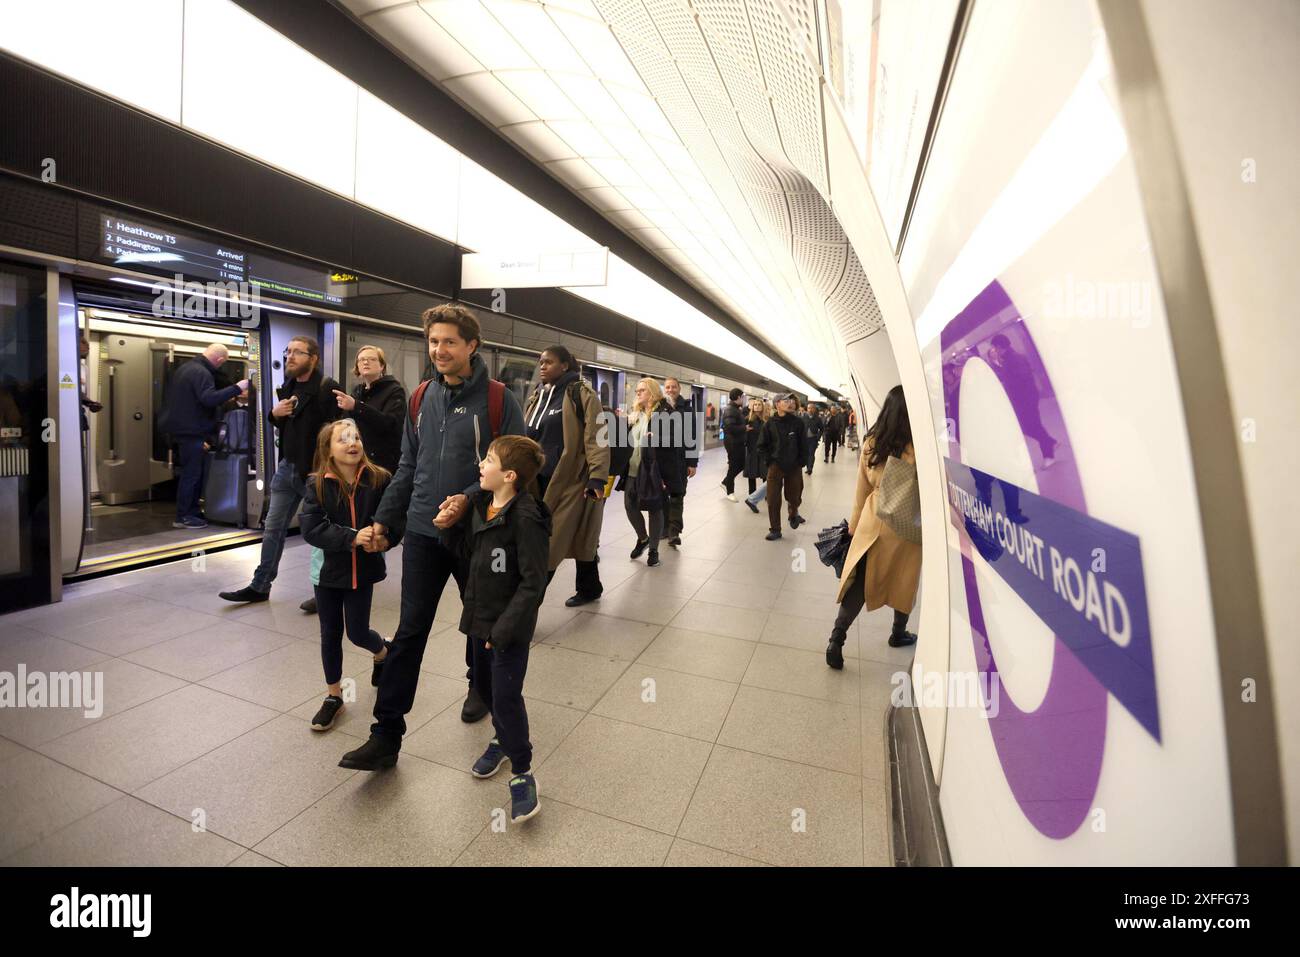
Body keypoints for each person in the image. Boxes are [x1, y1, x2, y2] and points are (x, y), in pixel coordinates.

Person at [339, 304, 526, 771]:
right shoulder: (422, 397)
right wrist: (385, 518)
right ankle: (386, 735)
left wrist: (466, 498)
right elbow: (408, 466)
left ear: (471, 346)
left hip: (479, 535)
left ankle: (480, 688)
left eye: (449, 342)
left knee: (484, 626)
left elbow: (517, 470)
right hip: (424, 532)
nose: (439, 350)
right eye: (433, 341)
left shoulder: (500, 401)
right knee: (409, 633)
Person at [448, 435, 550, 824]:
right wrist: (447, 529)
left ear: (509, 475)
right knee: (486, 689)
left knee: (507, 696)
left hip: (508, 629)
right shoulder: (482, 508)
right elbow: (471, 558)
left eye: (488, 460)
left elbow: (532, 583)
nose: (480, 465)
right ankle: (500, 739)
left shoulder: (526, 518)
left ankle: (522, 771)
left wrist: (504, 629)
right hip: (479, 619)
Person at [220, 337, 339, 602]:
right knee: (273, 528)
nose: (290, 357)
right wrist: (275, 414)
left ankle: (326, 590)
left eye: (298, 352)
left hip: (314, 472)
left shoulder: (327, 388)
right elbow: (285, 426)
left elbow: (336, 433)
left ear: (314, 358)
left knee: (318, 534)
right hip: (287, 468)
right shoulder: (288, 386)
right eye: (288, 352)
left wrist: (324, 470)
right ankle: (260, 585)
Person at [298, 419, 398, 730]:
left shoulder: (380, 479)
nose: (352, 443)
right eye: (342, 439)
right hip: (327, 572)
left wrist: (385, 539)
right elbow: (312, 528)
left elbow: (393, 519)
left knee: (356, 632)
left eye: (356, 437)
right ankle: (334, 696)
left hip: (363, 571)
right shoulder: (316, 484)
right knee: (330, 634)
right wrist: (352, 538)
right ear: (327, 449)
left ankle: (382, 651)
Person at [299, 345, 407, 615]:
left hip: (376, 469)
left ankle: (364, 575)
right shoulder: (357, 392)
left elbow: (391, 425)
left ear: (382, 365)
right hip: (350, 467)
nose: (366, 363)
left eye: (372, 359)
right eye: (361, 360)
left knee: (372, 523)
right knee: (346, 521)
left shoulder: (393, 391)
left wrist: (355, 407)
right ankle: (334, 581)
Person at [826, 385, 922, 669]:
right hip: (908, 523)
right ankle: (898, 633)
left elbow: (861, 488)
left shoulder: (871, 442)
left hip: (873, 517)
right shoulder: (918, 445)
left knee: (861, 581)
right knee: (905, 579)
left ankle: (836, 638)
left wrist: (854, 526)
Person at [524, 346, 609, 607]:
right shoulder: (537, 396)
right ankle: (590, 587)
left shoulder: (579, 393)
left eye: (548, 362)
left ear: (564, 366)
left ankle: (523, 611)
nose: (542, 366)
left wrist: (597, 476)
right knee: (581, 538)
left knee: (550, 544)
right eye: (540, 362)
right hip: (538, 482)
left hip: (572, 479)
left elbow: (597, 435)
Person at [159, 343, 250, 530]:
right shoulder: (202, 373)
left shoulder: (185, 368)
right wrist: (236, 388)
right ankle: (185, 515)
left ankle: (190, 511)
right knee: (192, 474)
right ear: (220, 359)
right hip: (191, 431)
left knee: (189, 473)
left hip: (182, 429)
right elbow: (208, 399)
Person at [616, 377, 665, 567]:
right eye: (637, 390)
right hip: (632, 469)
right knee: (630, 505)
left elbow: (675, 442)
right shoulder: (634, 415)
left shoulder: (663, 414)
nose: (638, 393)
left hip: (653, 470)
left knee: (654, 508)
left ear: (652, 392)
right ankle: (643, 537)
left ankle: (653, 549)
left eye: (642, 390)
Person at [757, 393, 808, 540]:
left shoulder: (798, 423)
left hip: (794, 466)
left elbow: (803, 445)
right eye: (786, 400)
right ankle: (775, 529)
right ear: (777, 404)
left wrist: (801, 462)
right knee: (773, 498)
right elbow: (761, 446)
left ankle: (793, 514)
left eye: (791, 400)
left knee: (794, 496)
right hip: (776, 466)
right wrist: (770, 461)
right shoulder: (769, 424)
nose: (790, 403)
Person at [656, 377, 698, 548]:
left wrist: (692, 462)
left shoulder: (687, 409)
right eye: (667, 387)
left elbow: (692, 436)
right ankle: (665, 528)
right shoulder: (659, 408)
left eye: (674, 387)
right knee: (662, 496)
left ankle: (674, 531)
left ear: (679, 389)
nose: (670, 390)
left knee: (677, 495)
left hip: (679, 460)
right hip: (661, 460)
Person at [720, 387, 747, 501]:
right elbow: (730, 427)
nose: (744, 399)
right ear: (738, 397)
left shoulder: (736, 409)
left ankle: (726, 482)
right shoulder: (730, 409)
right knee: (733, 466)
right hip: (733, 442)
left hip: (737, 441)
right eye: (742, 397)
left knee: (741, 464)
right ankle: (730, 491)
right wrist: (744, 427)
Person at [742, 397, 769, 513]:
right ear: (752, 407)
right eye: (755, 404)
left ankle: (766, 495)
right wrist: (745, 431)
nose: (757, 406)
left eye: (759, 405)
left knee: (765, 474)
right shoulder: (748, 419)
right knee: (752, 475)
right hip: (752, 450)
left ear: (762, 407)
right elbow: (742, 435)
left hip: (763, 450)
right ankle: (751, 497)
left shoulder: (766, 420)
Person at [803, 402, 824, 476]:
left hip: (813, 439)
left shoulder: (818, 419)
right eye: (809, 408)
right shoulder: (803, 418)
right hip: (804, 440)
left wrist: (818, 437)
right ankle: (807, 467)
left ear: (814, 409)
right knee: (806, 454)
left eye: (812, 408)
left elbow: (822, 429)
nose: (810, 409)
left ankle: (810, 468)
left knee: (811, 454)